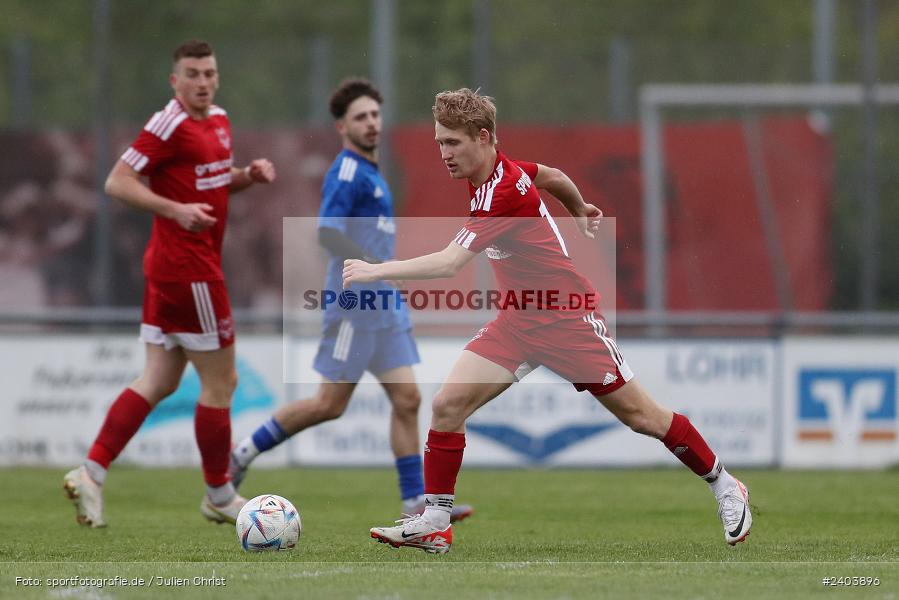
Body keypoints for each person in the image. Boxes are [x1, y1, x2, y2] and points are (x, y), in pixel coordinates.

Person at [345, 88, 752, 554]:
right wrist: (577, 208)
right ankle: (435, 522)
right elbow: (553, 175)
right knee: (447, 406)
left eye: (452, 143)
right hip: (519, 319)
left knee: (644, 417)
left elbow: (449, 263)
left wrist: (376, 270)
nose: (444, 154)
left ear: (482, 137)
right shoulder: (500, 170)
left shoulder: (499, 191)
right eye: (439, 143)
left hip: (567, 319)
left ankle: (725, 484)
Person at [229, 78, 473, 522]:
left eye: (376, 115)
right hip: (353, 307)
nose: (372, 123)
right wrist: (372, 266)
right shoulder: (346, 171)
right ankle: (241, 455)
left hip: (384, 307)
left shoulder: (372, 171)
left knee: (408, 400)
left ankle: (414, 503)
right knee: (328, 405)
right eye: (361, 117)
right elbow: (326, 230)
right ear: (342, 126)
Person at [62, 39, 276, 527]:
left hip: (174, 270)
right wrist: (174, 210)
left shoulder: (219, 121)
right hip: (190, 271)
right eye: (192, 74)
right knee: (223, 382)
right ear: (174, 81)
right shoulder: (169, 122)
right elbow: (117, 182)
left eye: (209, 73)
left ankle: (91, 472)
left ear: (217, 77)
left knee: (159, 379)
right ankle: (220, 495)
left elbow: (212, 183)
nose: (202, 82)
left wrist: (247, 176)